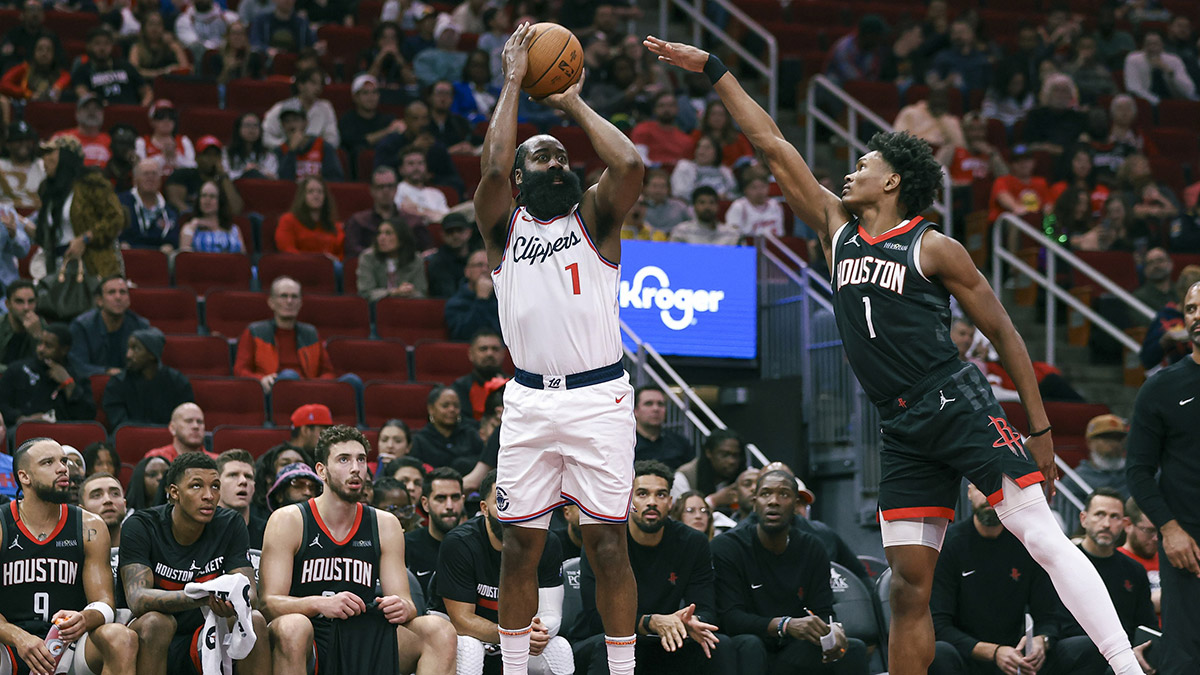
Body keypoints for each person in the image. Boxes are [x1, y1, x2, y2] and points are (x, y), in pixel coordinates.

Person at [644, 34, 1148, 675]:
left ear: (893, 181)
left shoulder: (935, 248)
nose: (849, 172)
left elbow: (1008, 335)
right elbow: (772, 144)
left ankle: (1123, 666)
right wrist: (715, 70)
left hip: (954, 400)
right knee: (909, 587)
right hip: (900, 424)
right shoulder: (837, 230)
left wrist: (1042, 429)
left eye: (862, 163)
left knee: (1043, 536)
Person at [475, 23, 645, 675]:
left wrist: (571, 102)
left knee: (607, 545)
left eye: (562, 159)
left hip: (599, 396)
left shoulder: (596, 217)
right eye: (541, 159)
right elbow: (491, 165)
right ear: (521, 177)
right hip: (527, 400)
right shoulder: (502, 226)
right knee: (519, 547)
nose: (555, 165)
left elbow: (629, 164)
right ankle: (515, 670)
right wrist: (515, 79)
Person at [259, 425, 457, 674]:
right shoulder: (289, 519)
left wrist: (402, 606)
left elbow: (406, 601)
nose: (355, 468)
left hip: (364, 633)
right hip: (312, 636)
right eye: (344, 459)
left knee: (439, 630)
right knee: (293, 626)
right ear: (322, 470)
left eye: (361, 459)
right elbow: (268, 603)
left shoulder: (385, 524)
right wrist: (320, 604)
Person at [119, 452, 272, 675]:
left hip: (206, 628)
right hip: (150, 635)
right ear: (174, 493)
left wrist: (232, 601)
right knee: (156, 623)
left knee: (254, 619)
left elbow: (250, 594)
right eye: (196, 486)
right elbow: (138, 599)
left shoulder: (230, 523)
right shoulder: (141, 526)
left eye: (216, 486)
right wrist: (205, 596)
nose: (209, 495)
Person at [929, 483, 1104, 675]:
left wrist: (1042, 640)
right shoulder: (949, 545)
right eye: (982, 487)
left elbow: (1049, 615)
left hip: (1018, 657)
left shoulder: (1026, 542)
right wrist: (993, 652)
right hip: (968, 657)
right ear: (970, 492)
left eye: (998, 489)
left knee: (1087, 648)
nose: (990, 496)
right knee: (939, 653)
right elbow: (939, 625)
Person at [575, 461, 732, 674]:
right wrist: (650, 622)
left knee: (717, 644)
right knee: (611, 646)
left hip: (664, 636)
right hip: (601, 638)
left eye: (660, 495)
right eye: (642, 494)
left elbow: (706, 609)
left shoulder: (693, 543)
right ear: (628, 500)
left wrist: (691, 622)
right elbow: (597, 618)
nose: (652, 502)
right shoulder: (603, 540)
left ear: (670, 502)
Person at [1, 438, 138, 675]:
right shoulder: (2, 524)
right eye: (48, 462)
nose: (63, 468)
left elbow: (105, 603)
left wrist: (85, 618)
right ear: (24, 477)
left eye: (63, 461)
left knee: (120, 637)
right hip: (9, 644)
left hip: (69, 645)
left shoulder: (89, 525)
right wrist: (18, 636)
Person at [709, 468, 864, 672]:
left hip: (792, 644)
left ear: (795, 505)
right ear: (755, 503)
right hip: (747, 642)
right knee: (751, 646)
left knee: (852, 649)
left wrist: (832, 631)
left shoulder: (812, 547)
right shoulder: (727, 546)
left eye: (783, 494)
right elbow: (730, 618)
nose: (773, 501)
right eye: (766, 494)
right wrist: (784, 625)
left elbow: (823, 610)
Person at [1126, 279, 1200, 674]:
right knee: (1185, 656)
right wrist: (1169, 529)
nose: (1197, 316)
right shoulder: (1161, 388)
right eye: (1190, 309)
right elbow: (1137, 470)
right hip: (1187, 544)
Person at [437, 469, 572, 675]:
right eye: (502, 503)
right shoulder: (460, 543)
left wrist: (536, 632)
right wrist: (517, 635)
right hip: (464, 634)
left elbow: (551, 613)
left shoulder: (547, 542)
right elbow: (462, 620)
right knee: (471, 651)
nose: (512, 513)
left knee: (559, 649)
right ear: (484, 508)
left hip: (517, 632)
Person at [1058, 488, 1156, 671]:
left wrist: (1141, 649)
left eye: (1114, 517)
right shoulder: (1064, 563)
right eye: (1099, 515)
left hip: (1122, 654)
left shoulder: (1134, 570)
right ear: (1083, 519)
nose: (1106, 524)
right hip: (1073, 648)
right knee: (1094, 648)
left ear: (1125, 523)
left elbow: (1146, 624)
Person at [233, 277, 350, 393]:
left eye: (294, 297)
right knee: (289, 376)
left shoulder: (311, 333)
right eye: (283, 296)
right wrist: (261, 380)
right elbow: (240, 370)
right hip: (273, 393)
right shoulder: (255, 331)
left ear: (300, 303)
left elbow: (328, 372)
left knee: (351, 381)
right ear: (271, 302)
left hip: (309, 389)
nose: (289, 301)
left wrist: (317, 385)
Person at [36, 135, 126, 279]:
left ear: (65, 156)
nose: (44, 159)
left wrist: (85, 239)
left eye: (49, 153)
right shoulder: (47, 190)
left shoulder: (91, 183)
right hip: (59, 266)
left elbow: (116, 218)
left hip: (92, 265)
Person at [0, 322, 94, 426]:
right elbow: (3, 404)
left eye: (48, 346)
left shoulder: (78, 376)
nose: (41, 350)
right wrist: (21, 419)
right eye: (40, 343)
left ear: (64, 350)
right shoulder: (17, 370)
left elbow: (87, 418)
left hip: (61, 434)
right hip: (21, 430)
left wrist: (69, 385)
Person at [102, 326, 194, 429]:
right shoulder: (117, 383)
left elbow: (184, 423)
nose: (128, 355)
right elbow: (121, 426)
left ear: (152, 354)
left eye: (136, 349)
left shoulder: (177, 382)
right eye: (128, 348)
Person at [69, 276, 150, 378]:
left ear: (128, 299)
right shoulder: (81, 326)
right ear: (99, 301)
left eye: (123, 292)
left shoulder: (140, 325)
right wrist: (108, 371)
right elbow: (78, 366)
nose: (118, 297)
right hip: (92, 386)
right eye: (111, 292)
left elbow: (150, 365)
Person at [404, 466, 464, 596]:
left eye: (455, 498)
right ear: (425, 504)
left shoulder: (476, 546)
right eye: (440, 498)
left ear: (463, 500)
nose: (449, 506)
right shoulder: (406, 545)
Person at [339, 74, 402, 180]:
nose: (371, 97)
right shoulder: (347, 120)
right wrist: (387, 131)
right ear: (355, 97)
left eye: (374, 92)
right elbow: (356, 142)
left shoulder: (387, 119)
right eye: (365, 93)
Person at [69, 26, 151, 106]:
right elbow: (82, 92)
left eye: (106, 43)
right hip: (100, 115)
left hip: (129, 112)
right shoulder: (82, 71)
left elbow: (146, 91)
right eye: (97, 43)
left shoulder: (126, 66)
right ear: (88, 46)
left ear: (112, 46)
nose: (102, 48)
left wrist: (142, 107)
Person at [410, 386, 483, 474]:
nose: (452, 409)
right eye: (445, 406)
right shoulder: (420, 440)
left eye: (456, 406)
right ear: (431, 409)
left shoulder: (470, 434)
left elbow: (483, 462)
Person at [263, 68, 340, 151]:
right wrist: (287, 146)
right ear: (300, 85)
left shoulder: (326, 107)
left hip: (315, 158)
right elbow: (266, 138)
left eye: (320, 84)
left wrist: (311, 148)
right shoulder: (281, 107)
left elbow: (333, 140)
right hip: (286, 155)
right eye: (313, 83)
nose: (318, 88)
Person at [672, 430, 744, 512]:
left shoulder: (742, 477)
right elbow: (678, 514)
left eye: (735, 455)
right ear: (709, 453)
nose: (732, 461)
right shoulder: (684, 476)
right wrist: (713, 500)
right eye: (725, 455)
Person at [356, 219, 427, 302]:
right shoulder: (368, 257)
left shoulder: (415, 259)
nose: (381, 238)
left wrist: (410, 291)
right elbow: (365, 292)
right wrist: (394, 292)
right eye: (379, 233)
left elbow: (422, 292)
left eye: (388, 233)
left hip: (407, 307)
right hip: (377, 308)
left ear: (402, 238)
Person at [118, 158, 181, 252]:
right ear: (135, 179)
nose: (150, 178)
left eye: (154, 174)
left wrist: (169, 247)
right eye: (146, 174)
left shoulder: (170, 210)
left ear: (160, 179)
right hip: (127, 259)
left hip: (158, 261)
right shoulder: (120, 203)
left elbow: (173, 241)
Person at [275, 175, 345, 259]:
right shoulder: (288, 220)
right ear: (302, 196)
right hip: (300, 266)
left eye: (320, 192)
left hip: (330, 267)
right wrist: (314, 260)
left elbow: (341, 254)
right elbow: (287, 249)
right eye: (310, 191)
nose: (316, 195)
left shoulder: (333, 224)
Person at [345, 166, 406, 258]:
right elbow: (352, 252)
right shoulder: (358, 221)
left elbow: (425, 254)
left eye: (390, 186)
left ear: (396, 189)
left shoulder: (411, 221)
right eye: (380, 187)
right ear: (372, 190)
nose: (386, 191)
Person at [1067, 414, 1130, 500]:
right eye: (1106, 438)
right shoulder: (1075, 480)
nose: (1114, 443)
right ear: (1090, 442)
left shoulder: (1134, 473)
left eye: (1118, 438)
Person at [1123, 31, 1196, 106]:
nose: (1152, 47)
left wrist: (1170, 72)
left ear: (1162, 45)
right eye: (1149, 44)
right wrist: (1158, 103)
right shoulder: (1133, 59)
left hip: (1173, 101)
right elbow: (1133, 87)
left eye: (1156, 44)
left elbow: (1189, 89)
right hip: (1146, 102)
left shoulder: (1174, 60)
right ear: (1143, 46)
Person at [451, 328, 509, 421]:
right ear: (471, 354)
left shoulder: (514, 386)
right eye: (483, 349)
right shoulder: (460, 387)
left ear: (503, 353)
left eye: (495, 349)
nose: (490, 353)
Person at [632, 385, 693, 471]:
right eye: (648, 404)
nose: (656, 409)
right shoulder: (626, 443)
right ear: (635, 411)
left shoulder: (680, 443)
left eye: (660, 404)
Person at [274, 107, 345, 181]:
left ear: (305, 123)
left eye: (295, 120)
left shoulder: (323, 146)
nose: (291, 125)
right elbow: (283, 181)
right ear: (282, 125)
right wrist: (291, 151)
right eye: (287, 121)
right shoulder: (279, 150)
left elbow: (336, 178)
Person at [445, 249, 501, 340]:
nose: (484, 270)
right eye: (479, 265)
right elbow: (464, 335)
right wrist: (482, 300)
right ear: (467, 272)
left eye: (489, 266)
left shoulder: (504, 300)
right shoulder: (455, 303)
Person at [216, 449, 266, 549]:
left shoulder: (268, 532)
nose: (243, 481)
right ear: (216, 485)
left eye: (248, 476)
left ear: (254, 487)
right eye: (233, 475)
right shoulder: (200, 530)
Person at [987, 144, 1050, 225]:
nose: (1023, 164)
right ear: (1010, 164)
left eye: (1027, 159)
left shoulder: (1041, 182)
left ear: (1033, 162)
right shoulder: (1002, 181)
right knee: (1015, 219)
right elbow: (1005, 198)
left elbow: (1048, 206)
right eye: (1018, 160)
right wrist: (1016, 207)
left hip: (1037, 225)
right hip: (1007, 226)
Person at [179, 179, 246, 253]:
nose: (207, 200)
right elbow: (184, 257)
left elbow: (243, 259)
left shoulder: (234, 229)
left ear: (220, 201)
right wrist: (194, 225)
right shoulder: (190, 227)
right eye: (203, 196)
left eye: (212, 196)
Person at [1120, 497, 1162, 614]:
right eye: (1149, 530)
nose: (1156, 538)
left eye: (1159, 531)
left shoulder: (1170, 558)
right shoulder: (1117, 561)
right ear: (1128, 525)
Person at [630, 92, 694, 167]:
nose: (666, 109)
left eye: (671, 106)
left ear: (677, 109)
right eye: (661, 106)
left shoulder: (686, 141)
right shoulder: (643, 129)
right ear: (654, 109)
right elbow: (639, 160)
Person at [134, 100, 196, 177]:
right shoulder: (142, 142)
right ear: (152, 121)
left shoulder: (184, 141)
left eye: (171, 116)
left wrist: (176, 157)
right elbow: (140, 170)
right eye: (161, 116)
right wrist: (163, 158)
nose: (166, 120)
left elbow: (193, 169)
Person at [0, 34, 68, 102]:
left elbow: (67, 76)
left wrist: (58, 87)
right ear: (34, 52)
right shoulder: (25, 69)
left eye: (48, 50)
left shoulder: (58, 72)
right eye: (40, 49)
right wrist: (27, 94)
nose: (44, 53)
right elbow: (3, 84)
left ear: (53, 54)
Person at [670, 135, 736, 202]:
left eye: (707, 148)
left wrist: (726, 196)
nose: (701, 151)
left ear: (717, 151)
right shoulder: (685, 167)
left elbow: (734, 193)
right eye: (699, 147)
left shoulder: (725, 171)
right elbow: (679, 194)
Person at [395, 146, 450, 224]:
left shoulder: (437, 194)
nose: (416, 167)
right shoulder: (396, 191)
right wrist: (433, 214)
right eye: (411, 163)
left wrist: (420, 212)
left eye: (420, 163)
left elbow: (447, 218)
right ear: (401, 169)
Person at [128, 11, 189, 80]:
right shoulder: (137, 48)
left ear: (163, 27)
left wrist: (175, 69)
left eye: (158, 24)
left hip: (171, 84)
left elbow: (185, 68)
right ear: (143, 28)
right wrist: (160, 73)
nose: (155, 28)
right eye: (151, 24)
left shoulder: (172, 46)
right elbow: (134, 71)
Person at [55, 95, 113, 168]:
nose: (92, 112)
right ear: (77, 113)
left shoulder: (110, 141)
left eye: (96, 108)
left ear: (103, 114)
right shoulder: (61, 138)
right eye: (87, 108)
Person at [427, 213, 476, 298]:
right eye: (450, 232)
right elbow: (447, 295)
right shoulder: (438, 263)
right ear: (442, 235)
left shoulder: (480, 258)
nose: (455, 235)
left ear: (469, 232)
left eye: (459, 230)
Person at [670, 186, 740, 245]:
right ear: (694, 206)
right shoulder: (681, 231)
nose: (707, 207)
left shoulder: (731, 234)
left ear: (718, 206)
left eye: (712, 202)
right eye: (702, 203)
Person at [0, 280, 44, 374]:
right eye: (19, 301)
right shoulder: (1, 325)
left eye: (31, 301)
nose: (26, 307)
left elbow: (47, 364)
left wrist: (37, 337)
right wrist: (15, 373)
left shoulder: (43, 326)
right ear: (8, 304)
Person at [0, 120, 46, 210]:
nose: (24, 144)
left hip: (37, 216)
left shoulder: (42, 165)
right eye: (19, 140)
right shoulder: (1, 165)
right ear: (8, 144)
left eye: (27, 140)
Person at [725, 171, 785, 238]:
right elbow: (732, 235)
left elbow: (780, 232)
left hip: (773, 245)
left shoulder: (775, 205)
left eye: (763, 186)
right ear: (745, 190)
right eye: (754, 187)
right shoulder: (739, 206)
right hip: (748, 246)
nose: (759, 191)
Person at [146, 403, 214, 461]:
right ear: (172, 428)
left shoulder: (216, 461)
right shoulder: (156, 458)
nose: (196, 426)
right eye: (189, 421)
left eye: (200, 422)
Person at [249, 0, 315, 57]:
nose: (288, 1)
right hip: (268, 64)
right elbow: (255, 43)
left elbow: (311, 44)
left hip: (296, 65)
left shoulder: (302, 23)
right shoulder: (262, 21)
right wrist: (267, 49)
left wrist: (317, 47)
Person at [224, 113, 278, 180]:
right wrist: (244, 171)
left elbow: (273, 176)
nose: (252, 129)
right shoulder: (226, 152)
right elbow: (224, 174)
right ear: (238, 129)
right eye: (247, 125)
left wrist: (258, 170)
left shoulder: (268, 155)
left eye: (255, 125)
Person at [80, 471, 127, 547]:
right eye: (96, 495)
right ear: (82, 510)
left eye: (115, 494)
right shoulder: (72, 551)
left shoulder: (143, 544)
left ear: (125, 505)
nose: (108, 500)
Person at [1133, 248, 1174, 312]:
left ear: (1170, 264)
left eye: (1160, 260)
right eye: (1150, 263)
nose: (1156, 265)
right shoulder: (1138, 298)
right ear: (1145, 270)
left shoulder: (1183, 292)